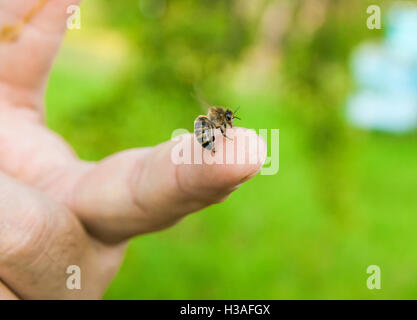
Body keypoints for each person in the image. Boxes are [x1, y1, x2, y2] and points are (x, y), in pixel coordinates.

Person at [0, 0, 265, 299]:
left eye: (228, 121)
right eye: (228, 120)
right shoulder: (215, 120)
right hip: (203, 132)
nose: (229, 122)